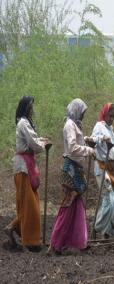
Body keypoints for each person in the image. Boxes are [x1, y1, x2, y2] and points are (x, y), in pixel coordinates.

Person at [48, 98, 95, 254]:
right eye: (82, 113)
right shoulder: (69, 125)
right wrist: (89, 150)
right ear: (76, 111)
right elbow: (73, 148)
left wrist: (86, 141)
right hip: (71, 169)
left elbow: (76, 143)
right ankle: (55, 243)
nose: (83, 116)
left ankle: (79, 241)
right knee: (68, 205)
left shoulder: (74, 125)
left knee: (77, 205)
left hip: (76, 168)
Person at [4, 96, 50, 252]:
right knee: (30, 207)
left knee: (31, 205)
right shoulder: (23, 123)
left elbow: (34, 140)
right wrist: (43, 144)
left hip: (27, 166)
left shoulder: (26, 123)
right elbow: (34, 144)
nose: (33, 109)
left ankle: (12, 228)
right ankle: (30, 241)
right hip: (23, 167)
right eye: (31, 106)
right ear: (26, 108)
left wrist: (41, 140)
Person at [90, 103, 114, 240]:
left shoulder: (111, 129)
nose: (111, 119)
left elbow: (113, 150)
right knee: (109, 201)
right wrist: (102, 139)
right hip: (101, 167)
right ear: (104, 114)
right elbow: (92, 140)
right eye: (109, 116)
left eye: (113, 116)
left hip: (111, 168)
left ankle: (107, 232)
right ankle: (97, 226)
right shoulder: (99, 126)